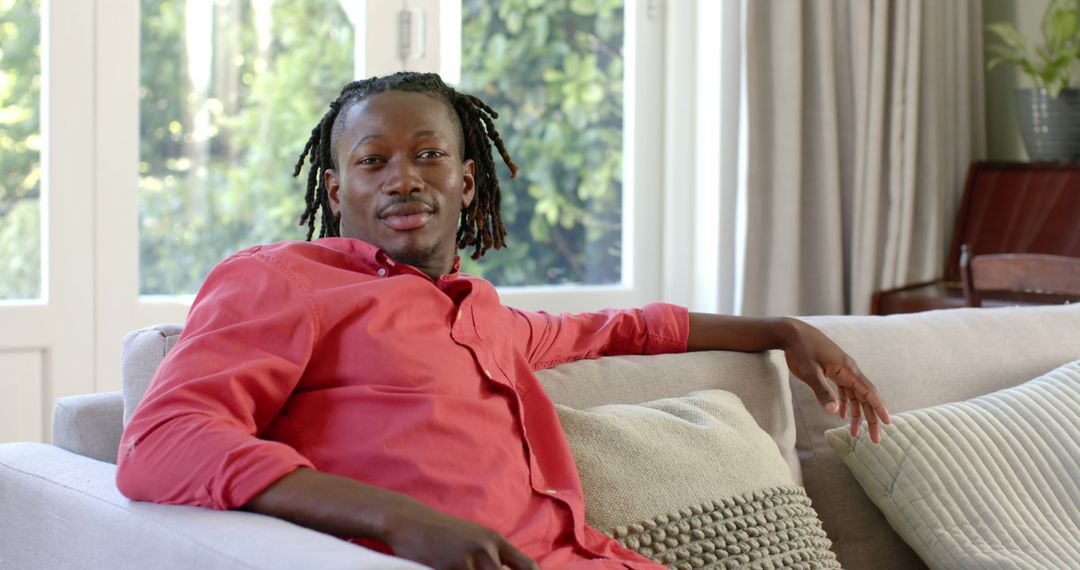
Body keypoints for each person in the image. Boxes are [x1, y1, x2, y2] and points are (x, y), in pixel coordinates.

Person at [116, 72, 890, 570]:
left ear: (465, 179)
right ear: (335, 186)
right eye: (373, 160)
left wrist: (783, 331)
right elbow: (163, 443)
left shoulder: (483, 314)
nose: (403, 179)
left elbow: (627, 328)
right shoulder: (280, 281)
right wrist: (402, 522)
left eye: (428, 156)